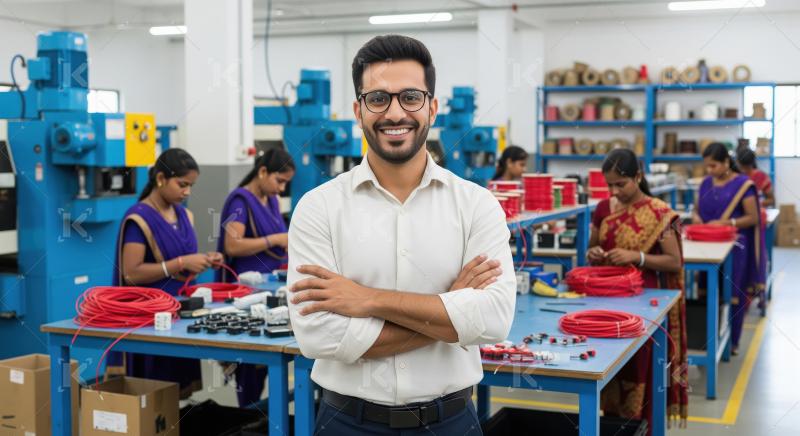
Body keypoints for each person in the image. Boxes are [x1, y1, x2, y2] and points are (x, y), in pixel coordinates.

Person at [286, 34, 515, 434]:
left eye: (411, 97)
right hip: (347, 423)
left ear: (433, 108)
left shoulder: (477, 205)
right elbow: (319, 337)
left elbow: (492, 321)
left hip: (451, 423)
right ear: (358, 111)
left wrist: (367, 300)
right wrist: (449, 312)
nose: (395, 113)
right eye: (378, 99)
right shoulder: (318, 208)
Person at [109, 148, 221, 399]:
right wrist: (182, 262)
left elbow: (180, 259)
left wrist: (204, 260)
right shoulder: (139, 219)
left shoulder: (184, 215)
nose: (187, 192)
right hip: (150, 318)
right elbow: (131, 273)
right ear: (160, 179)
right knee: (155, 390)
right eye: (182, 184)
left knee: (177, 389)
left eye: (191, 186)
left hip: (181, 312)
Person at [587, 148, 688, 427]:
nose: (614, 190)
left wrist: (638, 257)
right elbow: (592, 247)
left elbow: (674, 261)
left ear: (638, 177)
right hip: (607, 299)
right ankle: (613, 426)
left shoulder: (660, 213)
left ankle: (642, 426)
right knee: (609, 368)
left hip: (644, 301)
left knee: (640, 366)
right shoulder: (603, 209)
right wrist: (594, 252)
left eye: (621, 184)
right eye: (609, 185)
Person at [216, 148, 295, 407]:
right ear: (262, 172)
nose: (281, 189)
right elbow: (233, 246)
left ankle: (263, 420)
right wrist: (274, 239)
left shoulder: (270, 200)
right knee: (249, 366)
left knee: (265, 362)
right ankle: (248, 417)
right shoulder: (240, 202)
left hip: (271, 289)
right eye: (279, 181)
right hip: (246, 292)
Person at [693, 143, 766, 355]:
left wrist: (729, 224)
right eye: (707, 166)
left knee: (733, 294)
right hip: (707, 245)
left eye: (714, 165)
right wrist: (697, 218)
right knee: (707, 292)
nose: (709, 171)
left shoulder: (744, 185)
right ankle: (707, 339)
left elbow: (752, 218)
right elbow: (697, 210)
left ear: (726, 162)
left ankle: (731, 342)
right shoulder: (706, 183)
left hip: (736, 246)